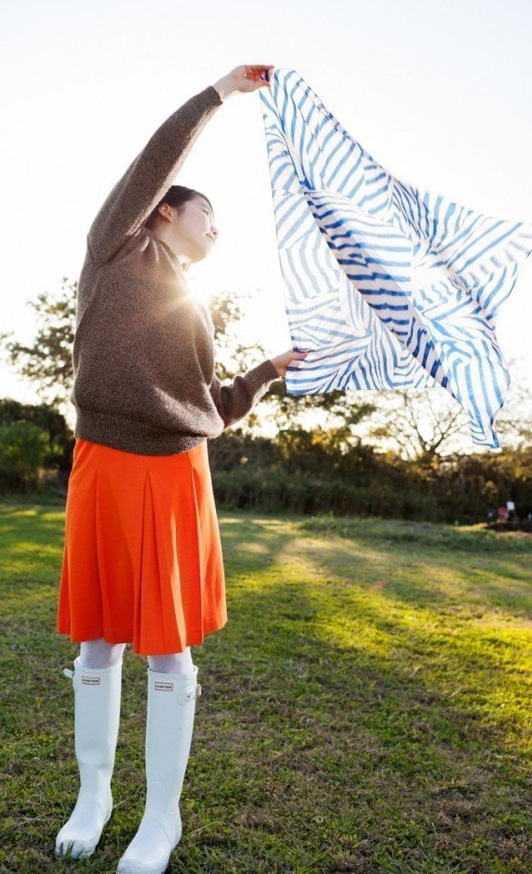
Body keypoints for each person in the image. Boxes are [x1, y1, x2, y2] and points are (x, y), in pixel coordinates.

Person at [54, 64, 305, 874]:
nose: (215, 227)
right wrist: (219, 94)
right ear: (164, 211)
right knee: (96, 642)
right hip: (104, 461)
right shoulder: (115, 252)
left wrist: (266, 369)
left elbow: (209, 406)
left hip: (175, 475)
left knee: (169, 652)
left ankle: (160, 818)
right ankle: (95, 795)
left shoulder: (191, 303)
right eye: (207, 213)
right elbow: (153, 157)